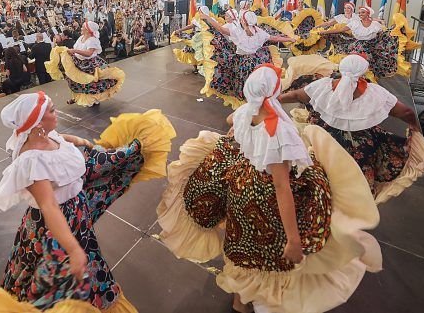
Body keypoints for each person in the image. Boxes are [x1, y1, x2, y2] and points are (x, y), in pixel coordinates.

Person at [157, 65, 381, 313]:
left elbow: (231, 120)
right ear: (273, 91)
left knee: (242, 240)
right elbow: (281, 187)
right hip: (264, 197)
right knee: (267, 250)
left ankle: (240, 302)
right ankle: (264, 303)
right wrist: (294, 240)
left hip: (242, 187)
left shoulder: (246, 112)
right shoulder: (277, 131)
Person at [0, 93, 175, 312]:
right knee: (56, 282)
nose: (56, 111)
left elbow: (61, 138)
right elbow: (49, 206)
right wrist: (73, 248)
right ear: (38, 122)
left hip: (76, 213)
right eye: (51, 110)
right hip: (54, 227)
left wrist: (81, 141)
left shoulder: (46, 136)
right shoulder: (31, 161)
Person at [278, 54, 424, 202]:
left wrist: (272, 101)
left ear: (341, 68)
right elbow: (406, 112)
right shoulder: (376, 93)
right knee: (357, 184)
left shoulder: (322, 86)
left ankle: (323, 203)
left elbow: (296, 95)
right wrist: (415, 126)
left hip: (323, 142)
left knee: (320, 171)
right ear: (363, 72)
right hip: (359, 148)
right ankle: (354, 209)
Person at [199, 10, 294, 108]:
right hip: (256, 62)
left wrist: (208, 18)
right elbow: (276, 38)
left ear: (244, 21)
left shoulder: (238, 32)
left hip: (243, 62)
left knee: (241, 82)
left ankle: (247, 106)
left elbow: (221, 30)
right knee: (254, 84)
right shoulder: (259, 31)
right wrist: (289, 39)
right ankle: (256, 104)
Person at [46, 21, 125, 107]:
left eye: (83, 27)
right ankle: (78, 98)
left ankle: (93, 99)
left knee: (91, 82)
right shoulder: (81, 38)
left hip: (89, 64)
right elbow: (76, 48)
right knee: (76, 81)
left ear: (88, 30)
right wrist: (71, 52)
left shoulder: (93, 40)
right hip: (78, 62)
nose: (81, 28)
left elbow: (89, 53)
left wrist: (74, 51)